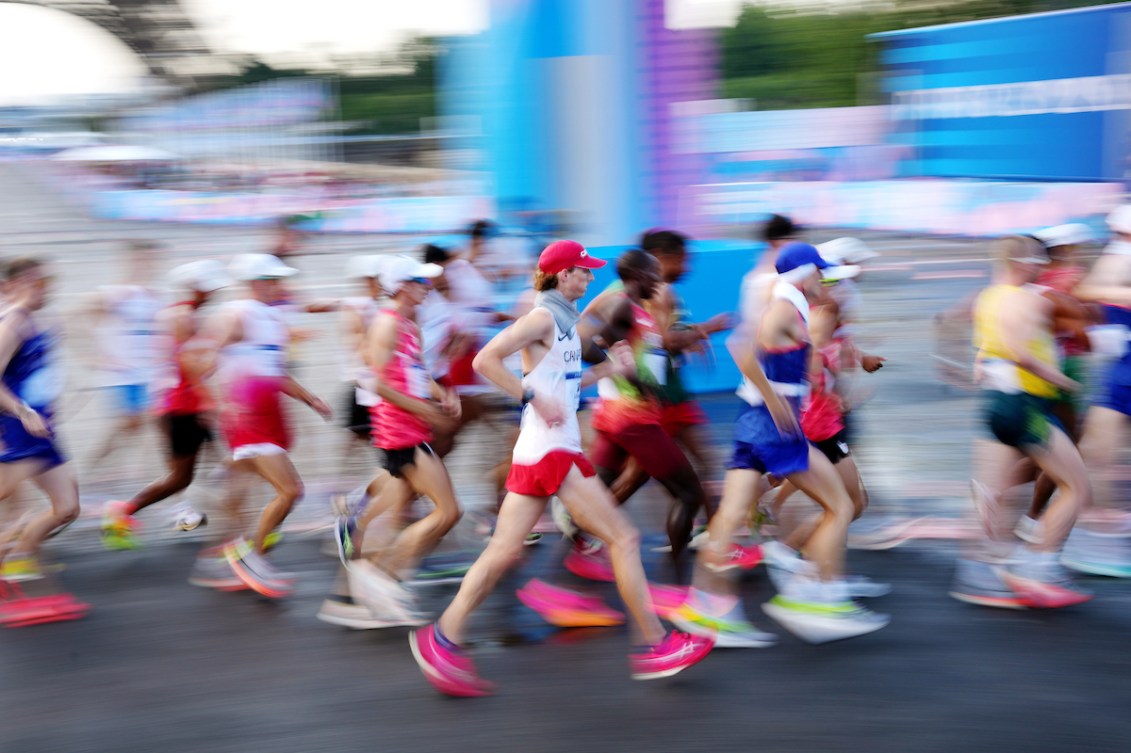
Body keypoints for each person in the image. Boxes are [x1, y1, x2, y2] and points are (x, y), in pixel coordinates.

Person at [409, 239, 713, 696]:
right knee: (624, 539)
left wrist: (609, 368)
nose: (590, 278)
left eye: (589, 271)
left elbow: (568, 383)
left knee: (501, 552)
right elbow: (484, 360)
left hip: (546, 448)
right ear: (562, 274)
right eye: (583, 271)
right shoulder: (543, 316)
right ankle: (656, 644)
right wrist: (529, 395)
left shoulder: (565, 322)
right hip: (551, 450)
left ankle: (440, 637)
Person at [674, 243, 889, 645]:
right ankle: (815, 597)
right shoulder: (785, 308)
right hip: (774, 426)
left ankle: (706, 609)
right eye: (819, 273)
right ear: (803, 275)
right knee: (840, 505)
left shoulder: (792, 306)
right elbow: (741, 349)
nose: (825, 279)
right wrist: (777, 403)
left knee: (730, 517)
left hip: (752, 423)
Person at [949, 236, 1092, 609]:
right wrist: (1063, 380)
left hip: (997, 404)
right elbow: (1020, 353)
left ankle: (976, 572)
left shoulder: (987, 297)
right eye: (1037, 262)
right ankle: (1036, 567)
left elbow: (988, 349)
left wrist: (979, 364)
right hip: (1027, 406)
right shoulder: (1025, 298)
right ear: (1023, 262)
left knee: (990, 491)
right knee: (1076, 487)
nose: (1042, 269)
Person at [188, 253, 331, 597]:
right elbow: (195, 358)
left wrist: (310, 399)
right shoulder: (237, 314)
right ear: (255, 283)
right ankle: (251, 559)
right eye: (273, 280)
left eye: (280, 279)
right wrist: (214, 399)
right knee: (290, 491)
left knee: (240, 490)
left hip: (270, 414)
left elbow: (275, 371)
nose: (280, 285)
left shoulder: (272, 317)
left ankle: (220, 558)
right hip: (248, 417)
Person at [343, 255, 464, 624]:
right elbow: (374, 383)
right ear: (403, 287)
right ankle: (378, 576)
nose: (427, 289)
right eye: (421, 283)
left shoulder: (410, 325)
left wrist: (441, 393)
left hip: (414, 427)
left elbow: (416, 370)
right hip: (398, 431)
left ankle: (381, 579)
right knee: (448, 512)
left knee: (421, 512)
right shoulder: (385, 323)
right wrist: (422, 409)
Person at [578, 248, 713, 570]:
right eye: (655, 274)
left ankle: (576, 547)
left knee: (597, 493)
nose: (660, 280)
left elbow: (645, 351)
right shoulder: (624, 304)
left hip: (622, 418)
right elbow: (588, 345)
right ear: (640, 276)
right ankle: (679, 576)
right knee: (689, 494)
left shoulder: (641, 310)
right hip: (633, 418)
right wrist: (631, 377)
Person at [608, 231, 733, 532]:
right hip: (656, 395)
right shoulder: (657, 291)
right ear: (662, 257)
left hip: (671, 391)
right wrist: (708, 329)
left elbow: (661, 337)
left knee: (703, 462)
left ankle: (714, 536)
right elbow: (662, 340)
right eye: (683, 258)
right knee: (639, 475)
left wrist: (691, 336)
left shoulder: (653, 290)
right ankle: (584, 525)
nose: (687, 266)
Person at [101, 260, 231, 549]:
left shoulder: (183, 313)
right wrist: (211, 401)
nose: (214, 293)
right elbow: (189, 363)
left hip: (179, 405)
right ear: (197, 287)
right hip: (184, 408)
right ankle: (125, 511)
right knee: (188, 476)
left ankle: (197, 518)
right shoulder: (183, 316)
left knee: (198, 473)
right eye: (210, 287)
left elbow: (191, 362)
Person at [1061, 206, 1131, 576]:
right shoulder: (1119, 255)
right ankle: (1095, 535)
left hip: (1125, 371)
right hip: (1122, 369)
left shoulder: (1120, 255)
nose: (1116, 242)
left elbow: (1089, 290)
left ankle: (1095, 538)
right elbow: (1090, 293)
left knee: (1094, 455)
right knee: (1094, 454)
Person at [0, 258, 80, 583]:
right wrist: (23, 411)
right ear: (15, 285)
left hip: (42, 431)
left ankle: (19, 558)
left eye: (46, 282)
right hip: (18, 430)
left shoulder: (39, 321)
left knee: (67, 508)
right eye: (37, 282)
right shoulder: (12, 324)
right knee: (6, 496)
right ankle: (15, 553)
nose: (45, 288)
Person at [83, 241, 164, 474]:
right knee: (130, 423)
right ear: (129, 261)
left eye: (152, 260)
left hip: (146, 371)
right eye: (143, 259)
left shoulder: (154, 295)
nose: (148, 265)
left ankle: (120, 468)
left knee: (145, 423)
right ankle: (98, 464)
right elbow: (75, 320)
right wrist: (95, 355)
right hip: (120, 374)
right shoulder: (112, 293)